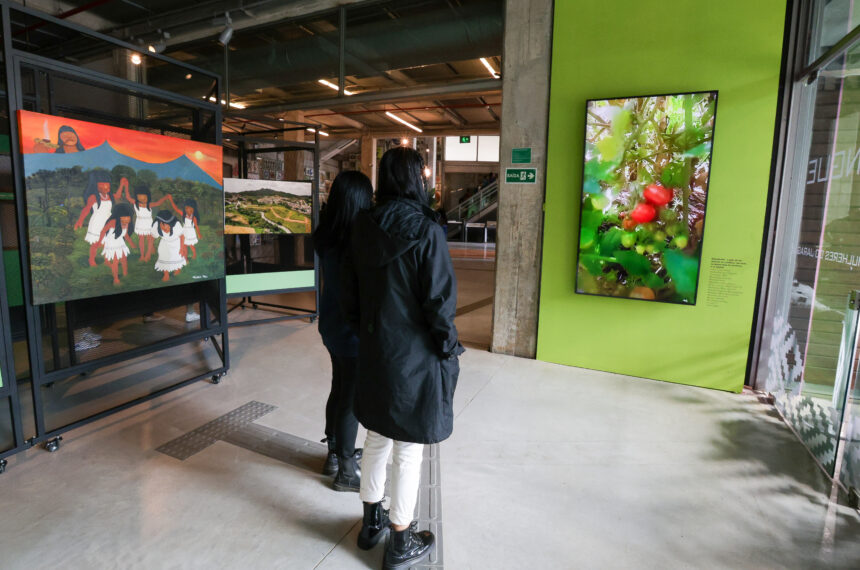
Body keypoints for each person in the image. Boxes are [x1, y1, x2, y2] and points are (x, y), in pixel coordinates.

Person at [343, 147, 464, 569]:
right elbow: (439, 304)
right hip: (413, 356)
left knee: (376, 435)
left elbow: (353, 292)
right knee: (410, 449)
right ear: (415, 179)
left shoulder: (363, 226)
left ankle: (370, 523)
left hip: (376, 350)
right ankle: (400, 540)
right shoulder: (427, 231)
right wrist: (449, 350)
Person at [313, 171, 373, 492]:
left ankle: (334, 453)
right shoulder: (357, 242)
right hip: (350, 332)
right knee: (349, 397)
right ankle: (347, 471)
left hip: (332, 326)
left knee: (339, 387)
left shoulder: (327, 236)